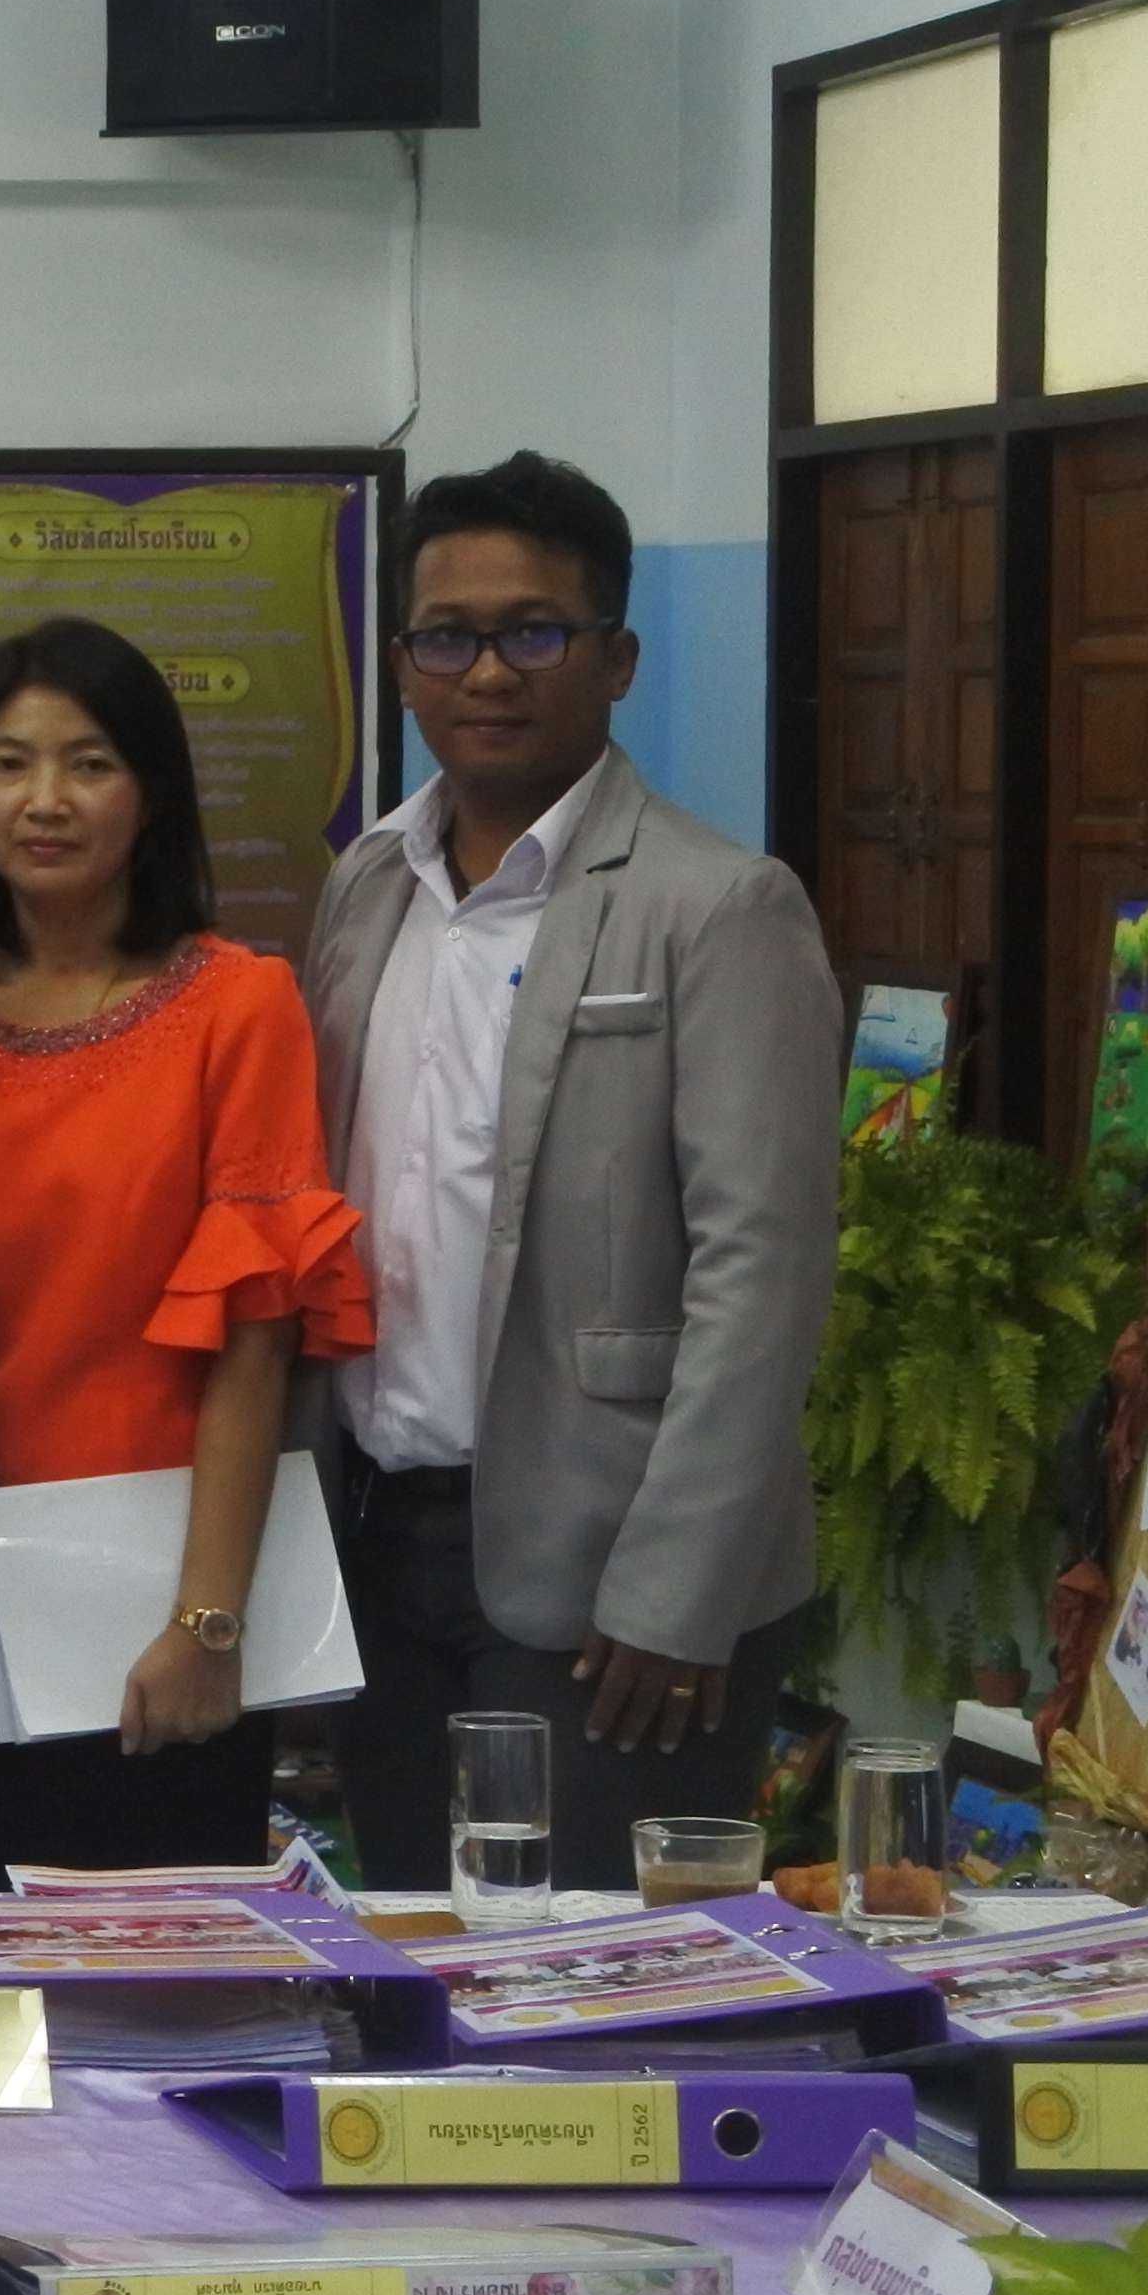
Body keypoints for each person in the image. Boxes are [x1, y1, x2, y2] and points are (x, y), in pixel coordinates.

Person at [308, 453, 836, 1892]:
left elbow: (764, 1266)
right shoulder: (367, 885)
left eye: (533, 632)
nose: (487, 672)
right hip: (384, 1543)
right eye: (447, 637)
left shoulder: (717, 905)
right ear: (402, 666)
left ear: (616, 659)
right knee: (413, 1960)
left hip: (610, 1578)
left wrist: (679, 1587)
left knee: (584, 1987)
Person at [0, 619, 371, 1878]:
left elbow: (256, 1338)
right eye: (8, 762)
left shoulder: (237, 1003)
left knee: (141, 1956)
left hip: (155, 1575)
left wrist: (208, 1620)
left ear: (150, 795)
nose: (44, 799)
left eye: (89, 763)